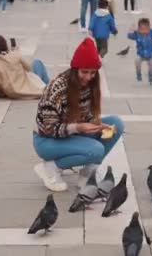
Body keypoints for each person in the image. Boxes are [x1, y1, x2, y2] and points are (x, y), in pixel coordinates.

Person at [32, 38, 125, 192]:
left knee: (117, 124)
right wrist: (78, 127)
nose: (88, 77)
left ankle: (88, 173)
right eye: (84, 72)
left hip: (71, 135)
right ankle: (50, 168)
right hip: (46, 140)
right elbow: (48, 128)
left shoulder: (90, 85)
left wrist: (95, 124)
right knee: (95, 150)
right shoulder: (57, 88)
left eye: (93, 72)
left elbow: (85, 115)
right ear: (75, 69)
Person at [0, 35, 49, 100]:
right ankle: (48, 88)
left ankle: (47, 88)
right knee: (37, 62)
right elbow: (28, 68)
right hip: (27, 88)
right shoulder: (15, 55)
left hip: (11, 92)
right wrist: (17, 53)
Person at [128, 18, 152, 85]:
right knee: (137, 61)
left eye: (146, 29)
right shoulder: (137, 34)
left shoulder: (151, 33)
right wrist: (131, 30)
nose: (144, 31)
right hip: (141, 55)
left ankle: (150, 76)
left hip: (150, 55)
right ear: (138, 29)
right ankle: (138, 74)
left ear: (149, 29)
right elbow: (130, 36)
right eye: (142, 29)